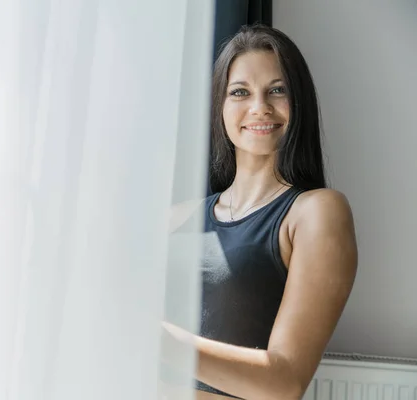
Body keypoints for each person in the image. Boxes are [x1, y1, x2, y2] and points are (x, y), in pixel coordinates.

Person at [161, 24, 358, 400]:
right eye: (240, 92)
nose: (259, 107)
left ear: (298, 101)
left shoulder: (315, 212)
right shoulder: (176, 218)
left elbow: (285, 383)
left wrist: (160, 339)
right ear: (220, 105)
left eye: (277, 90)